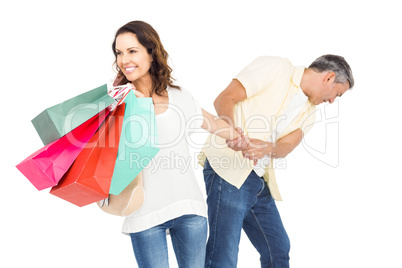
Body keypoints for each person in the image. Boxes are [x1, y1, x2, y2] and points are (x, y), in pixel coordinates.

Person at [199, 55, 354, 267]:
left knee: (278, 248)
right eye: (337, 94)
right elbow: (224, 98)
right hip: (228, 171)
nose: (332, 101)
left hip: (257, 182)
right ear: (328, 77)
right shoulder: (276, 68)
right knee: (223, 256)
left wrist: (268, 148)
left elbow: (286, 147)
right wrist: (230, 132)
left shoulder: (310, 113)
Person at [111, 21, 242, 268]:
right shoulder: (114, 103)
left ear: (151, 52)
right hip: (143, 214)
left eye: (132, 51)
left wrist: (243, 141)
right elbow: (109, 157)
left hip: (188, 208)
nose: (124, 59)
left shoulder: (179, 95)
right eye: (119, 53)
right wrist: (135, 108)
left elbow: (214, 123)